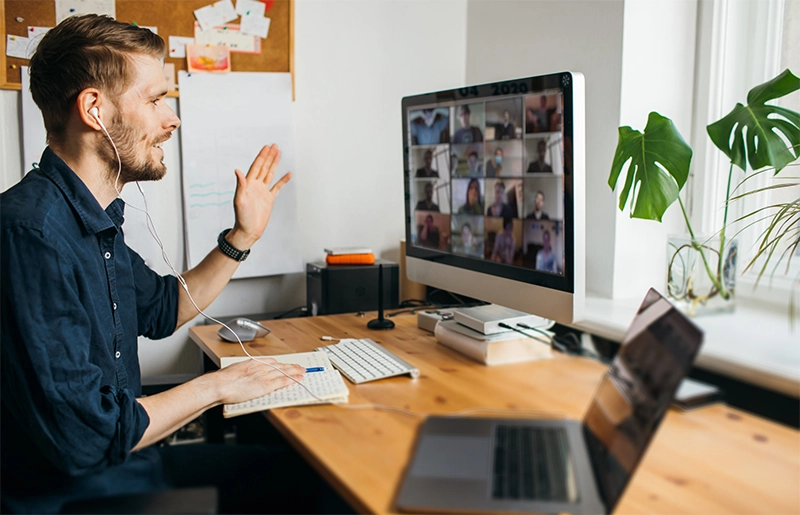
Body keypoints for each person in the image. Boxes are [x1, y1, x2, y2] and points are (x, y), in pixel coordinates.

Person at [0, 15, 310, 514]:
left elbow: (164, 308)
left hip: (123, 468)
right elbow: (84, 439)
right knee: (311, 489)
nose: (173, 119)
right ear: (94, 110)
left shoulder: (91, 220)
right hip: (71, 497)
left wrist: (242, 237)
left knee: (296, 472)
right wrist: (219, 386)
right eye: (155, 100)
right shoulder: (31, 234)